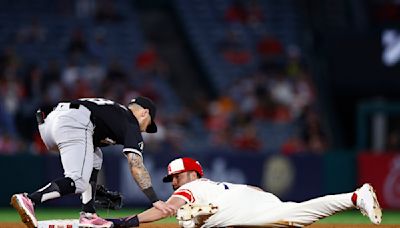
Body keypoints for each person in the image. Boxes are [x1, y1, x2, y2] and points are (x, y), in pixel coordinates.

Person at [11, 97, 175, 228]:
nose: (145, 130)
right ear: (145, 113)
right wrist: (154, 200)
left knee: (96, 156)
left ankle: (89, 214)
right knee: (78, 181)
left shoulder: (114, 113)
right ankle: (30, 199)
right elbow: (136, 165)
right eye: (148, 125)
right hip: (73, 122)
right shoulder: (130, 122)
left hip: (50, 126)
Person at [108, 157, 382, 228]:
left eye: (176, 176)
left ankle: (355, 197)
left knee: (298, 215)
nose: (173, 182)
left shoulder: (191, 187)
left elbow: (165, 209)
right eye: (171, 178)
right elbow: (256, 190)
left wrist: (129, 221)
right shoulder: (213, 185)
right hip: (255, 199)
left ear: (191, 174)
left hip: (247, 211)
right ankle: (354, 197)